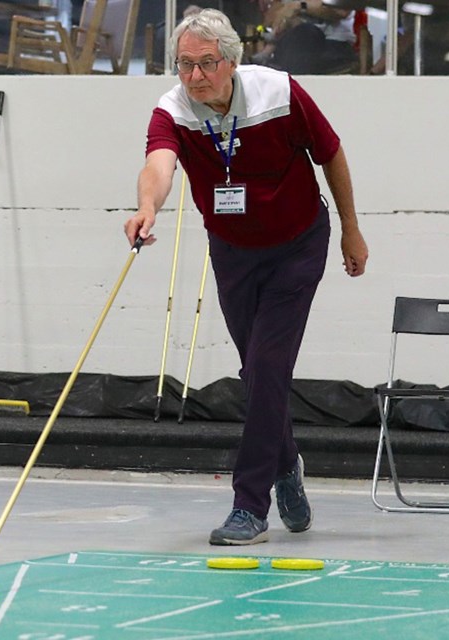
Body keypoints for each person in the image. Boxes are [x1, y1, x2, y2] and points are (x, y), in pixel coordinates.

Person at [124, 8, 368, 545]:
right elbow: (159, 165)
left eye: (206, 63)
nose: (194, 76)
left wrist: (352, 229)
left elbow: (331, 155)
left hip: (298, 245)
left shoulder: (278, 92)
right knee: (257, 372)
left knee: (267, 363)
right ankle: (287, 467)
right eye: (185, 65)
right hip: (233, 251)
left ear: (231, 61)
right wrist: (147, 207)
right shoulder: (173, 110)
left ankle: (249, 505)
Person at [252, 0, 357, 74]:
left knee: (304, 33)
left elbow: (342, 11)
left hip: (331, 44)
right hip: (288, 41)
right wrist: (283, 13)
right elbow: (269, 19)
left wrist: (298, 6)